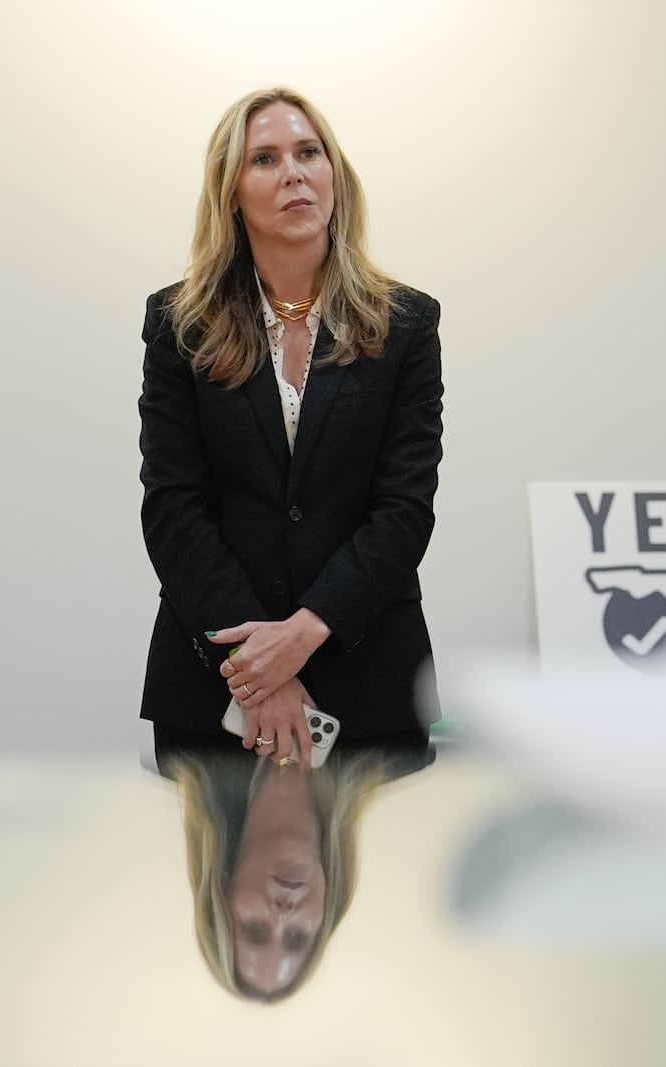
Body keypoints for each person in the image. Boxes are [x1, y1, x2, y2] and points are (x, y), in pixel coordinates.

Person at [138, 87, 443, 768]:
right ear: (232, 194)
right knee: (225, 878)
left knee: (382, 878)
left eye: (309, 152)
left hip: (371, 683)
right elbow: (173, 509)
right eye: (266, 159)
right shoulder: (179, 326)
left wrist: (301, 635)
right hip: (217, 686)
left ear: (335, 172)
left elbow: (403, 509)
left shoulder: (408, 326)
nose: (295, 173)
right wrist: (256, 664)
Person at [160, 747, 411, 1001]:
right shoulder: (397, 755)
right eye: (297, 936)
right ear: (324, 914)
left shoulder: (181, 751)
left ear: (223, 885)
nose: (283, 914)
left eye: (255, 928)